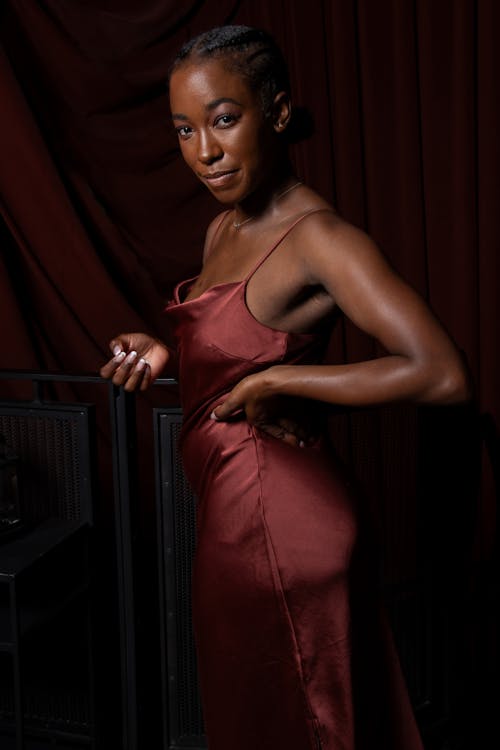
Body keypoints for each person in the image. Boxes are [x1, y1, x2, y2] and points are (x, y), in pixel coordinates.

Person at [100, 25, 471, 750]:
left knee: (306, 724)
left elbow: (444, 371)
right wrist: (163, 352)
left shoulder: (319, 238)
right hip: (233, 517)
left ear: (275, 111)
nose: (204, 151)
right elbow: (230, 347)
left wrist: (287, 380)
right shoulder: (220, 231)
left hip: (284, 526)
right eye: (184, 130)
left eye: (224, 119)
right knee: (263, 719)